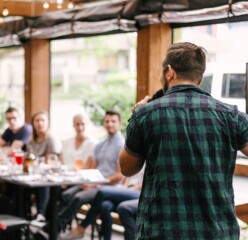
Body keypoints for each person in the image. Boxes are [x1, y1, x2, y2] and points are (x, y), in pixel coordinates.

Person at [119, 42, 248, 239]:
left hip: (162, 232)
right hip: (217, 232)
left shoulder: (146, 115)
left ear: (169, 72)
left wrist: (136, 117)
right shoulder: (232, 116)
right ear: (200, 76)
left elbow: (127, 168)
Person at [37, 110, 124, 238]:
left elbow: (119, 176)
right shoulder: (100, 144)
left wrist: (95, 183)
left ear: (120, 123)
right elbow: (93, 169)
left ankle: (52, 229)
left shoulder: (122, 145)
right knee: (66, 194)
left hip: (108, 187)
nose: (110, 124)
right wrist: (89, 181)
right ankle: (54, 228)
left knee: (78, 198)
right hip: (94, 183)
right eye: (107, 121)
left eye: (113, 121)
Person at [61, 167, 144, 240]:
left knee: (102, 192)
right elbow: (127, 175)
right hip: (123, 190)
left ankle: (82, 226)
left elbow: (141, 183)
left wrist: (126, 188)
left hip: (135, 191)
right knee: (105, 206)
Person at [28, 111, 62, 224]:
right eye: (37, 120)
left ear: (48, 123)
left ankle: (41, 214)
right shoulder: (31, 141)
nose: (40, 123)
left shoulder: (51, 139)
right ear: (33, 123)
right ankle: (24, 215)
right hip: (33, 175)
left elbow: (50, 160)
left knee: (44, 183)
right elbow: (28, 159)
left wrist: (35, 161)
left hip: (50, 177)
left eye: (43, 120)